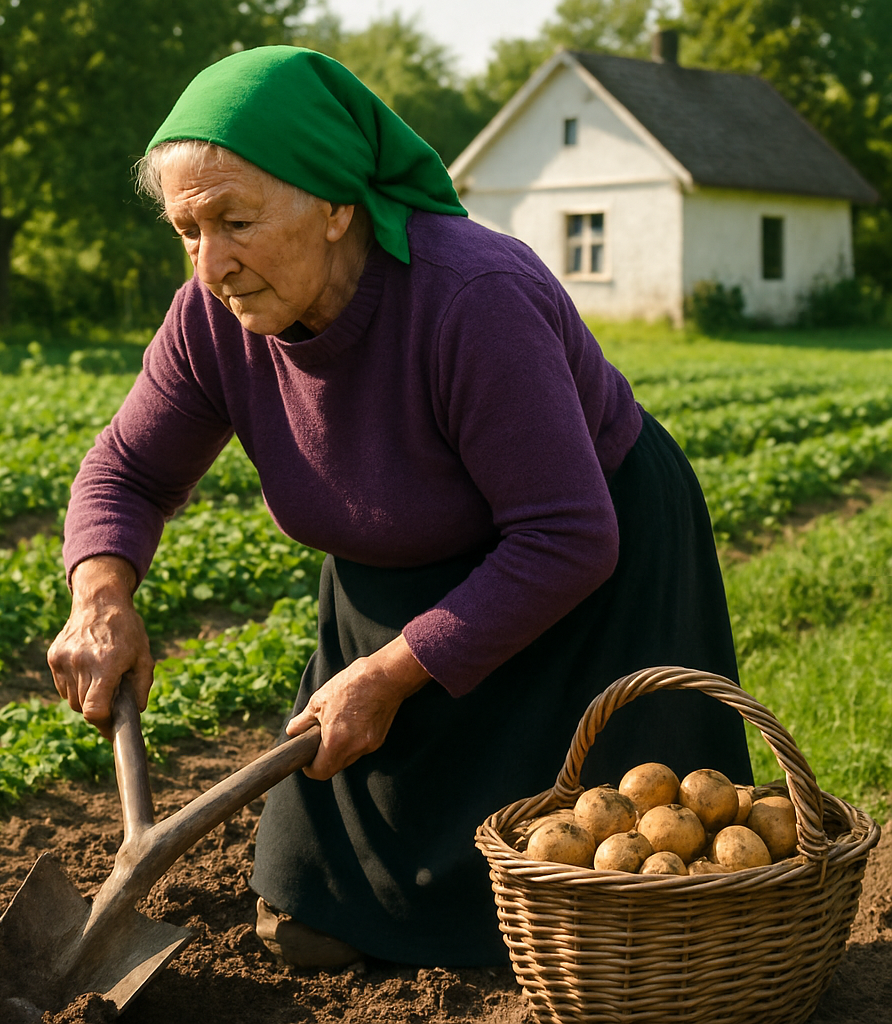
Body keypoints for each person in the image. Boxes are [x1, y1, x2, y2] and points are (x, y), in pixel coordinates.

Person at [47, 45, 753, 970]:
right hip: (393, 585)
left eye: (235, 220)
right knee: (312, 929)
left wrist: (390, 675)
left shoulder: (471, 297)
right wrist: (101, 598)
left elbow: (569, 535)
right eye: (187, 229)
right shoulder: (212, 319)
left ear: (338, 204)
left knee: (615, 915)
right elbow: (126, 473)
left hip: (587, 574)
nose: (210, 262)